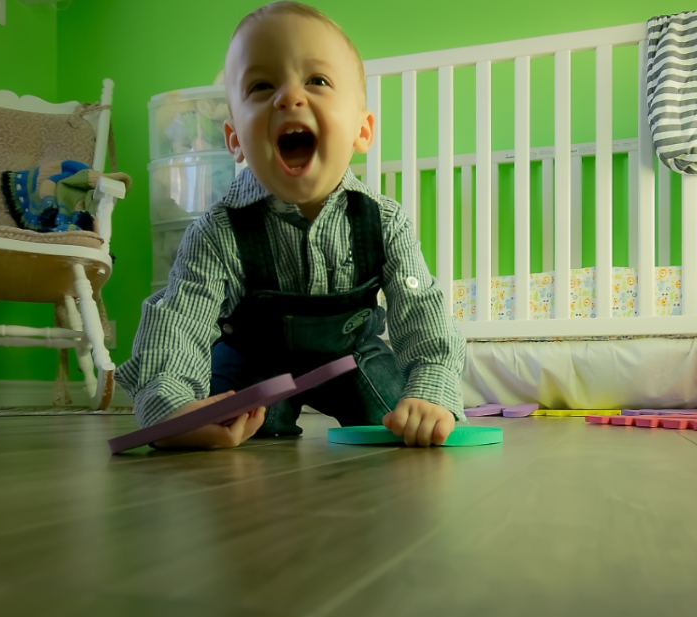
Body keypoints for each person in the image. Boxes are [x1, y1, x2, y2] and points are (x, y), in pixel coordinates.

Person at [117, 2, 465, 449]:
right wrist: (170, 406)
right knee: (225, 424)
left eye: (317, 81)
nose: (288, 97)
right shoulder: (217, 230)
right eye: (261, 86)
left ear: (362, 131)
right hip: (254, 362)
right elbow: (179, 320)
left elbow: (423, 314)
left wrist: (431, 388)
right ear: (235, 139)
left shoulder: (385, 220)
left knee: (402, 419)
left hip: (353, 357)